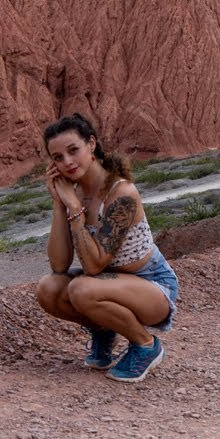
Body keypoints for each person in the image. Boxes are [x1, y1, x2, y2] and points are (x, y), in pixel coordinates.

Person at [34, 113, 179, 383]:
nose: (67, 162)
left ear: (91, 144)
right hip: (109, 284)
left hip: (153, 287)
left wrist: (75, 210)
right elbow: (59, 265)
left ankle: (146, 346)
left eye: (73, 150)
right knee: (48, 288)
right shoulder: (73, 194)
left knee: (81, 288)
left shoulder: (121, 193)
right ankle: (102, 329)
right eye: (58, 157)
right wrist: (59, 203)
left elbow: (93, 265)